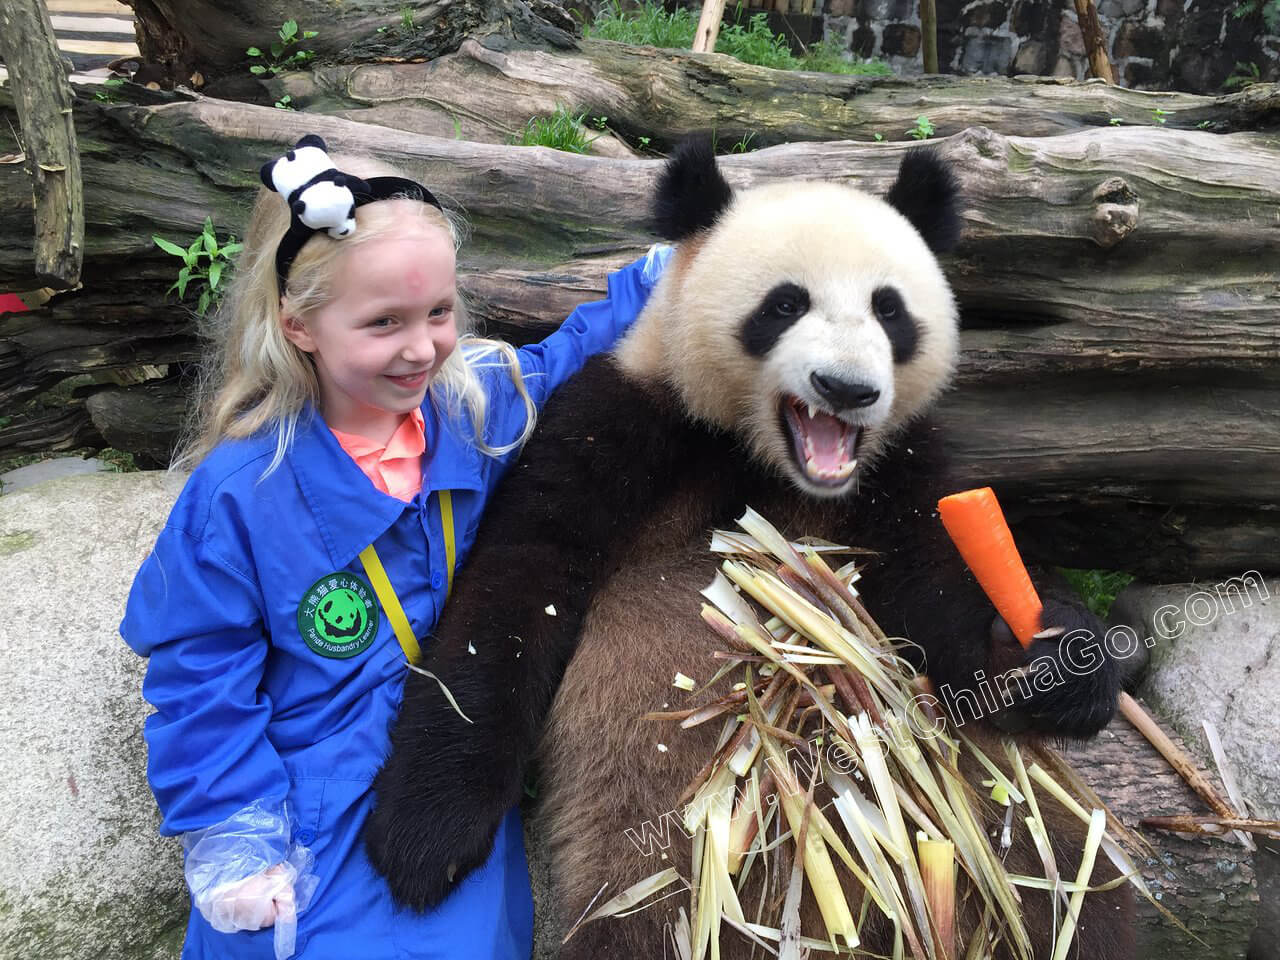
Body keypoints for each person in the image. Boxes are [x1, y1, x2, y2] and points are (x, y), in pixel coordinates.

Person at [120, 136, 669, 960]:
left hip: (440, 759)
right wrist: (233, 831)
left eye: (440, 314)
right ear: (297, 323)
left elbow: (566, 356)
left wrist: (669, 276)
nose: (422, 349)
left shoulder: (475, 410)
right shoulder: (242, 492)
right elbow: (199, 672)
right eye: (384, 323)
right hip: (308, 793)